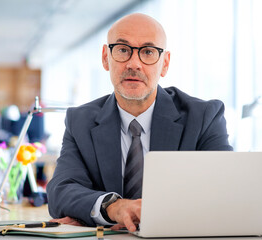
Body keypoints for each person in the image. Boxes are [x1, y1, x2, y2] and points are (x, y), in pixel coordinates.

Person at [46, 13, 233, 232]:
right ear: (106, 57)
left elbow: (223, 191)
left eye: (148, 52)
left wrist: (88, 215)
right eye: (123, 50)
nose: (134, 64)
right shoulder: (81, 121)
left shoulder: (204, 117)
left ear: (165, 64)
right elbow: (61, 190)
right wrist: (113, 208)